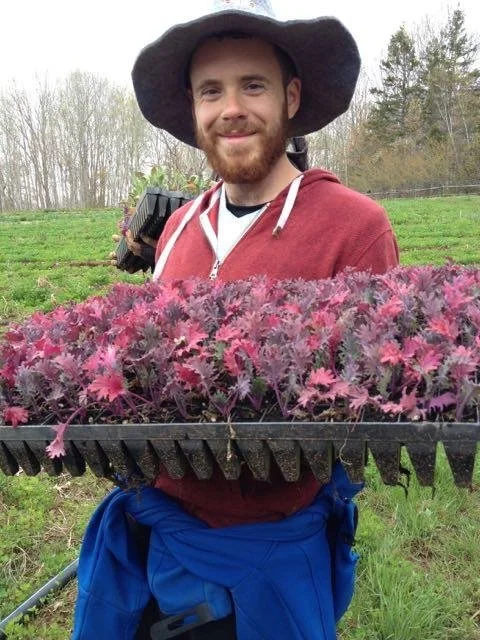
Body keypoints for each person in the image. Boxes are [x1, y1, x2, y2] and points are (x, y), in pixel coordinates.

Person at [73, 2, 399, 639]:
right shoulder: (176, 230)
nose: (231, 109)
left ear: (291, 97)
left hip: (268, 560)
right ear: (194, 110)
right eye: (211, 90)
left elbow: (366, 409)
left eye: (253, 85)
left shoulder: (355, 229)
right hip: (157, 540)